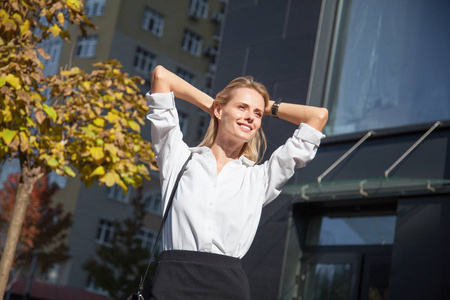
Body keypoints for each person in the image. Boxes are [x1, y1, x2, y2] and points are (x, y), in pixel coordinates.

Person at [145, 65, 328, 299]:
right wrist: (214, 106)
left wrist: (266, 106)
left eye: (257, 114)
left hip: (227, 288)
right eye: (242, 107)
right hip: (172, 283)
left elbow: (318, 116)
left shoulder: (260, 178)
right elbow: (161, 76)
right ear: (220, 110)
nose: (250, 116)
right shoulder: (179, 158)